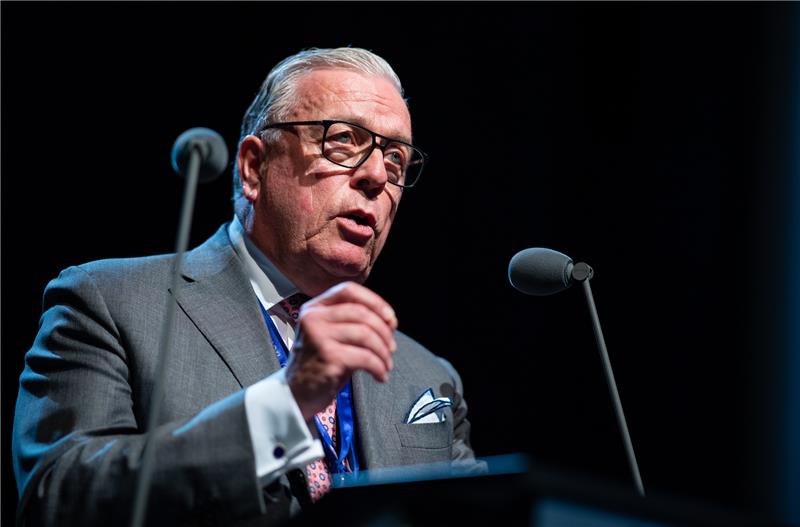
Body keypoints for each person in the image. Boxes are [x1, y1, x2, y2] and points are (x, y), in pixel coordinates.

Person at [12, 47, 479, 526]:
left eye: (396, 159)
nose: (377, 176)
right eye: (343, 140)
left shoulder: (424, 374)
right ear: (254, 167)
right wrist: (284, 405)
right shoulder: (112, 304)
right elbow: (58, 497)